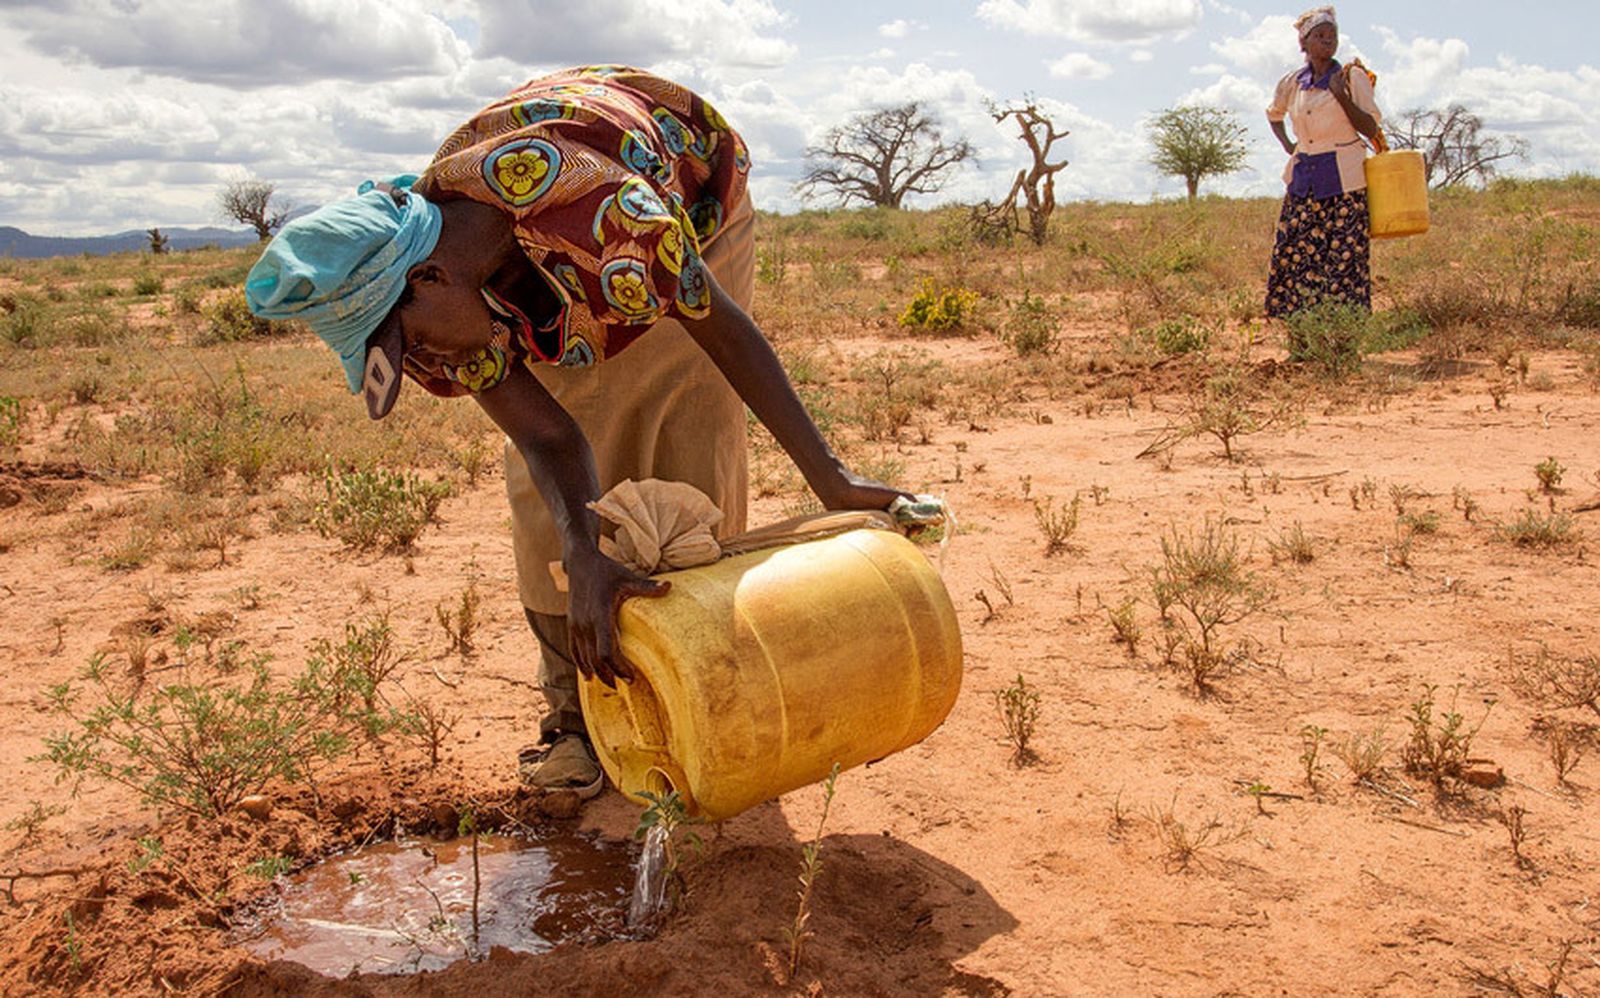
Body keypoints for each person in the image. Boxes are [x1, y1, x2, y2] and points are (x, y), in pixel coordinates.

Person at [245, 66, 908, 799]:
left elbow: (728, 339)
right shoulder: (445, 295)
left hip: (687, 207)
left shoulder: (612, 219)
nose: (425, 365)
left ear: (430, 281)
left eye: (410, 345)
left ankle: (697, 700)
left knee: (681, 427)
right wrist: (583, 552)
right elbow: (549, 439)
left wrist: (831, 479)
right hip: (532, 259)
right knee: (553, 506)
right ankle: (575, 717)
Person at [1264, 6, 1384, 318]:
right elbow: (1273, 114)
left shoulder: (1351, 76)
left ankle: (1344, 340)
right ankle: (1303, 338)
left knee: (1344, 262)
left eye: (1332, 36)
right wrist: (1290, 145)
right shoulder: (1293, 82)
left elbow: (1371, 128)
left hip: (1344, 181)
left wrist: (1342, 97)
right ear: (1304, 43)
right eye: (1320, 35)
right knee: (1294, 257)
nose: (1328, 41)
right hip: (1303, 182)